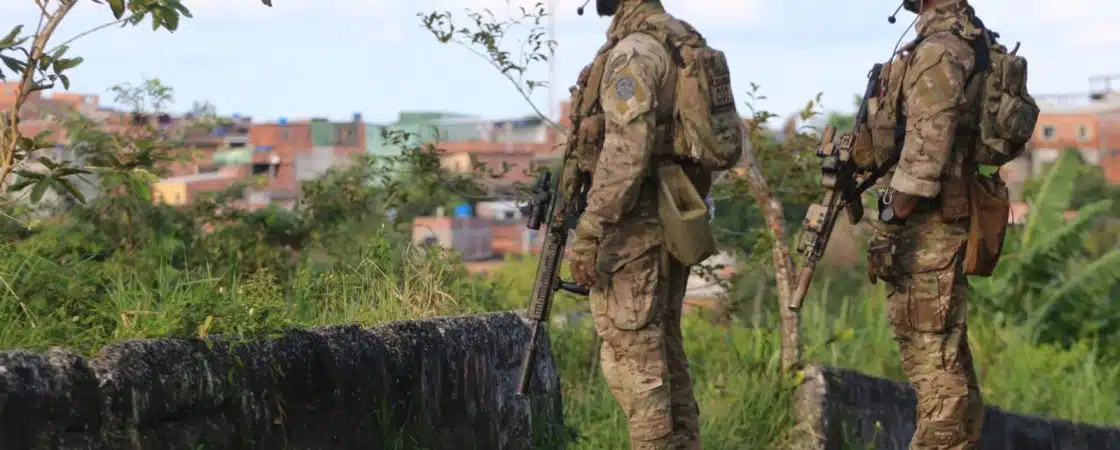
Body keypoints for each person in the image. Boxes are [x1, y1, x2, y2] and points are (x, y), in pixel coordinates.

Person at [562, 0, 742, 448]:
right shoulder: (681, 39)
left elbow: (626, 153)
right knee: (664, 348)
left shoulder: (635, 53)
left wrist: (589, 231)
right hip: (671, 218)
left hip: (634, 229)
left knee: (635, 363)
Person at [868, 0, 1004, 448]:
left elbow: (923, 160)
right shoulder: (969, 38)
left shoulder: (939, 51)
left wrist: (887, 224)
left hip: (927, 234)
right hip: (947, 224)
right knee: (950, 367)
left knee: (936, 376)